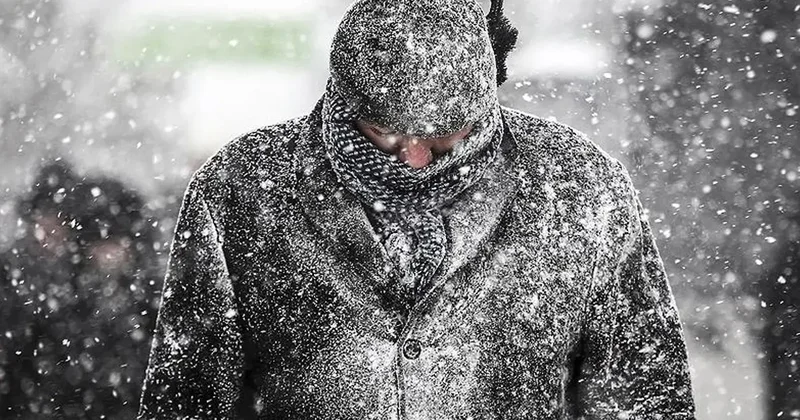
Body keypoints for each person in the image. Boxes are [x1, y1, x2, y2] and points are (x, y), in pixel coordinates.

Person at [137, 0, 697, 418]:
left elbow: (643, 393)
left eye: (446, 136)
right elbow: (187, 396)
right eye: (383, 131)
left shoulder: (580, 191)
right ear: (342, 99)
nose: (414, 158)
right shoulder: (243, 188)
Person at [0, 161, 162, 419]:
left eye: (116, 240)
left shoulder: (154, 300)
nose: (108, 253)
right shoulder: (61, 300)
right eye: (99, 242)